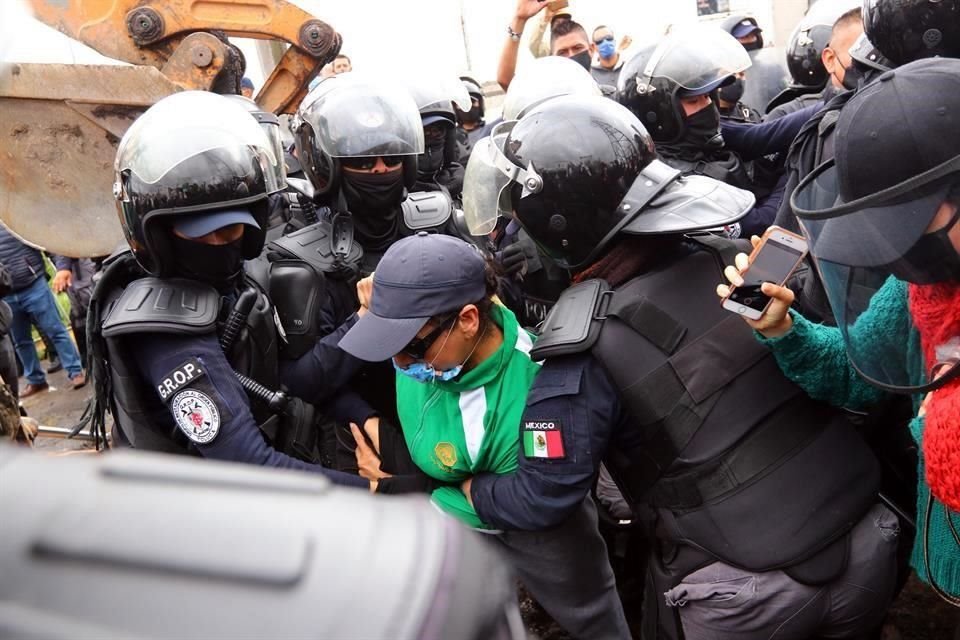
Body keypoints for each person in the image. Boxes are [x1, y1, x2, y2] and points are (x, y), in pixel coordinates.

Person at [461, 94, 898, 640]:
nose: (514, 243)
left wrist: (473, 491)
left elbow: (544, 495)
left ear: (560, 228)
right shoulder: (740, 263)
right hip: (869, 539)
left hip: (745, 597)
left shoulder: (583, 344)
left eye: (520, 226)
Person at [719, 56, 960, 614]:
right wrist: (785, 330)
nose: (897, 242)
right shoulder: (923, 289)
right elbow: (859, 370)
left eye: (910, 214)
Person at [337, 232, 630, 638]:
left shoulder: (532, 399)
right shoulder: (431, 344)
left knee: (588, 618)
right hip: (459, 530)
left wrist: (399, 489)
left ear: (469, 320)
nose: (401, 364)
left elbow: (526, 503)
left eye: (410, 348)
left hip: (537, 535)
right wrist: (384, 303)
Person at [92, 90, 369, 487]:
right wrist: (379, 494)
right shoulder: (163, 326)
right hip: (199, 509)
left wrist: (363, 413)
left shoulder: (236, 284)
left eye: (233, 229)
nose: (221, 245)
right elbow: (248, 465)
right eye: (203, 233)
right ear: (159, 237)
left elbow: (288, 377)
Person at [617, 25, 786, 238]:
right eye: (694, 100)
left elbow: (761, 137)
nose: (707, 106)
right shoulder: (670, 181)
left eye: (708, 96)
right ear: (660, 114)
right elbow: (758, 223)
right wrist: (793, 174)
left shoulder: (701, 144)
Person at [0, 225, 85, 396]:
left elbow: (46, 242)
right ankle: (36, 380)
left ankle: (75, 371)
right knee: (21, 341)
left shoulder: (13, 219)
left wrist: (62, 268)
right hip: (6, 294)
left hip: (34, 284)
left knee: (55, 329)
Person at [766, 4, 863, 121]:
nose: (871, 57)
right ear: (829, 59)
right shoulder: (788, 115)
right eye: (859, 49)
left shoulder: (885, 102)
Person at [497, 0, 591, 90]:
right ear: (552, 56)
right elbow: (507, 82)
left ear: (592, 49)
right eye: (562, 52)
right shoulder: (547, 92)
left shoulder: (603, 92)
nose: (571, 55)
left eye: (577, 48)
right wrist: (520, 19)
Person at [720, 14, 789, 118]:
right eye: (744, 37)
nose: (751, 40)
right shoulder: (722, 77)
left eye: (753, 35)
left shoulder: (773, 70)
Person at [52, 256, 98, 364]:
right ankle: (89, 360)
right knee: (79, 312)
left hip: (83, 260)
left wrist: (62, 266)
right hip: (67, 265)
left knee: (92, 304)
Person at [453, 76, 486, 166]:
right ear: (454, 107)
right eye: (461, 103)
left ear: (480, 104)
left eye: (472, 101)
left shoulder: (491, 130)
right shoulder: (450, 138)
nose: (468, 107)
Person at [589, 25, 624, 89]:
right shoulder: (590, 76)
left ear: (614, 41)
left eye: (609, 38)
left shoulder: (628, 66)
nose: (605, 43)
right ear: (594, 46)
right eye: (599, 41)